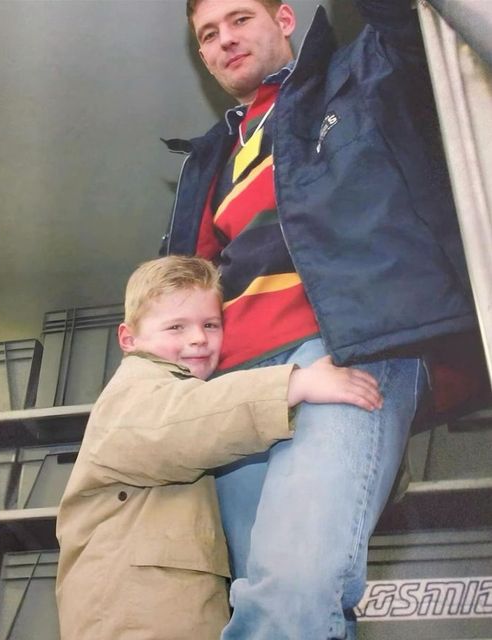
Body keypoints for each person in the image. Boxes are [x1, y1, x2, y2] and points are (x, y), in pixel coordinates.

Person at [160, 1, 484, 638]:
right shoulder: (212, 157)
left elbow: (408, 28)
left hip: (343, 349)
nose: (225, 40)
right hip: (235, 390)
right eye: (208, 34)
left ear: (284, 19)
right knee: (258, 601)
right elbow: (177, 285)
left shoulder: (360, 73)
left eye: (240, 18)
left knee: (295, 591)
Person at [55, 255, 383, 640]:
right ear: (129, 339)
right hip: (130, 619)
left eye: (210, 325)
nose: (198, 338)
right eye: (176, 327)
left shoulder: (192, 395)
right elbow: (181, 424)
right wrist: (292, 386)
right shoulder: (132, 392)